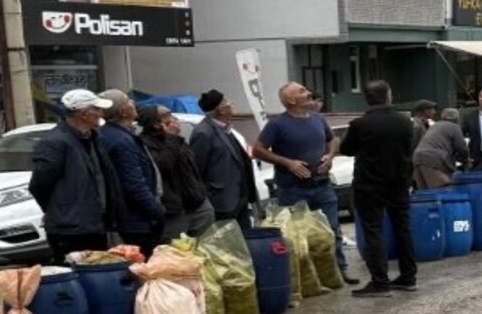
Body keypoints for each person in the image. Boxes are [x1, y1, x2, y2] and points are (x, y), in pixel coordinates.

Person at [254, 82, 356, 284]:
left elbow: (333, 139)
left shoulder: (318, 119)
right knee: (296, 236)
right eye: (302, 91)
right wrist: (287, 162)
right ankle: (303, 278)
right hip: (292, 189)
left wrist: (330, 156)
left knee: (332, 230)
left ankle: (338, 271)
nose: (309, 93)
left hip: (322, 185)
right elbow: (258, 150)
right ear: (291, 100)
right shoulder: (277, 124)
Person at [340, 80, 416, 297]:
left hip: (370, 185)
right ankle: (408, 276)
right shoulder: (405, 122)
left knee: (374, 231)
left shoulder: (360, 125)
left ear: (367, 98)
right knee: (403, 229)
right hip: (399, 183)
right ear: (388, 96)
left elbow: (347, 149)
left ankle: (380, 282)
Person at [29, 89, 119, 264]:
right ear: (84, 114)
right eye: (97, 109)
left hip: (95, 224)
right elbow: (39, 185)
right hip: (70, 230)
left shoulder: (93, 138)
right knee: (75, 278)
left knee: (97, 276)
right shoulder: (55, 142)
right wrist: (62, 210)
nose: (101, 114)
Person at [96, 90, 165, 258]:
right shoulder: (121, 140)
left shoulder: (113, 135)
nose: (133, 102)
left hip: (129, 218)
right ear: (123, 112)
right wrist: (158, 211)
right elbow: (134, 184)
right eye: (128, 101)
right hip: (135, 220)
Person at [137, 105, 214, 240]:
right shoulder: (143, 143)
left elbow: (193, 168)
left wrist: (201, 192)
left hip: (198, 203)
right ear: (156, 124)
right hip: (174, 210)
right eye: (167, 115)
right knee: (175, 252)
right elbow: (163, 166)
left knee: (204, 249)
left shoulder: (178, 140)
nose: (174, 118)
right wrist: (171, 138)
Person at [190, 89, 258, 228]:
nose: (231, 103)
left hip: (240, 198)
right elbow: (197, 170)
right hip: (221, 201)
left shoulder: (226, 129)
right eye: (226, 101)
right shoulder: (203, 132)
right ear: (219, 110)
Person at [413, 107, 469, 189]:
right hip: (433, 159)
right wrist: (465, 160)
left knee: (424, 192)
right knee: (443, 187)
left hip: (417, 157)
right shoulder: (454, 127)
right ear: (456, 118)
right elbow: (462, 148)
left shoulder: (434, 126)